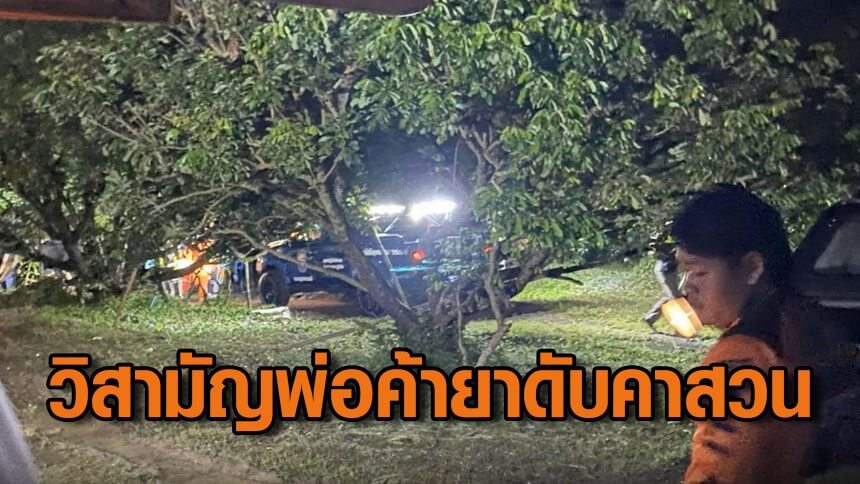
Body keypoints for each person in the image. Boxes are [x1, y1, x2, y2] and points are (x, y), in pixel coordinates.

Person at [670, 184, 814, 484]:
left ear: (752, 268)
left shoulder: (742, 358)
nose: (687, 287)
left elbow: (719, 473)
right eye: (684, 272)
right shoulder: (801, 322)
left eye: (699, 272)